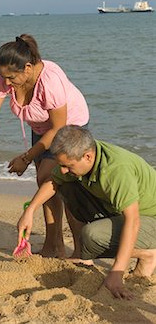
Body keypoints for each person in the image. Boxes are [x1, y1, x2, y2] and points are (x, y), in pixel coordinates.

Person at [0, 34, 89, 257]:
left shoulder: (50, 80)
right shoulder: (5, 74)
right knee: (45, 182)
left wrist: (26, 158)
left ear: (27, 68)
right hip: (40, 129)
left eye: (11, 77)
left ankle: (80, 251)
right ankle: (53, 244)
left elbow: (58, 129)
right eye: (2, 76)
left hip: (69, 128)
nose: (6, 82)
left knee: (64, 185)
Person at [17, 125, 156, 299]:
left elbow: (133, 221)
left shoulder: (115, 170)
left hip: (150, 218)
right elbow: (54, 180)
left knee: (91, 237)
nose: (63, 170)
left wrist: (117, 272)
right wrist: (29, 211)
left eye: (68, 166)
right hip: (120, 211)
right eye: (61, 165)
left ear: (88, 156)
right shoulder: (84, 153)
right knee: (66, 186)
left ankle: (148, 254)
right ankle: (84, 255)